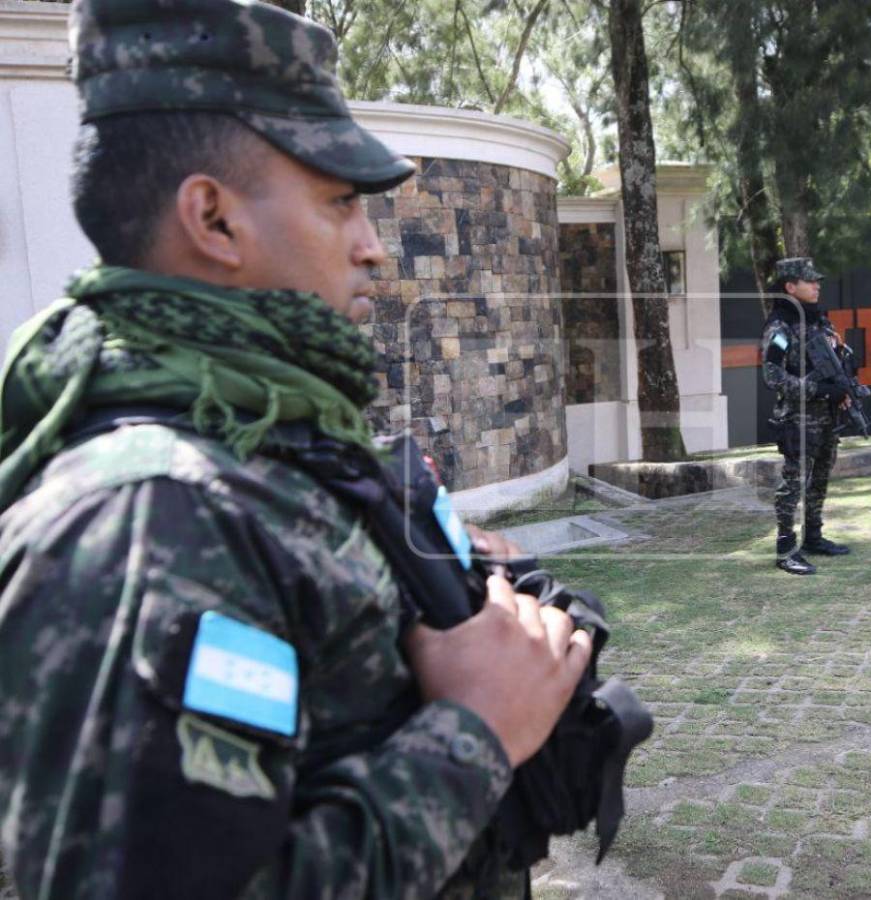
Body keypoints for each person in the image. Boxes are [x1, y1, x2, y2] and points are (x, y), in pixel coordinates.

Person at [0, 1, 592, 897]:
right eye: (341, 202)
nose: (373, 249)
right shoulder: (143, 521)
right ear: (214, 218)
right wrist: (477, 730)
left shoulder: (264, 434)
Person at [761, 257, 853, 576]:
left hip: (826, 416)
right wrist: (817, 389)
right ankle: (786, 550)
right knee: (794, 483)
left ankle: (813, 537)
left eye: (817, 281)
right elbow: (773, 376)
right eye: (809, 281)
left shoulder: (818, 321)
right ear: (790, 287)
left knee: (821, 476)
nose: (816, 286)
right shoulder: (780, 327)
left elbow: (836, 361)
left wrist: (841, 389)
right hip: (798, 418)